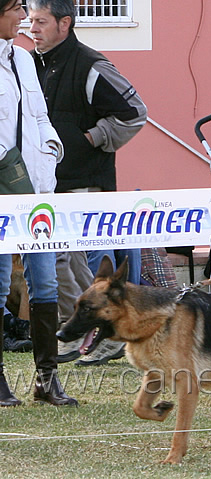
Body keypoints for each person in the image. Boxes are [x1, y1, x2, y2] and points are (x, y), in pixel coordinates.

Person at [27, 0, 147, 365]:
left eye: (41, 22)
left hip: (86, 181)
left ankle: (106, 333)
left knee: (88, 260)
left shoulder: (92, 65)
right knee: (59, 259)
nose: (32, 29)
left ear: (65, 23)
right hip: (47, 183)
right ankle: (86, 328)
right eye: (30, 20)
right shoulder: (27, 64)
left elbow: (135, 114)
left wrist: (89, 140)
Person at [0, 0, 76, 407]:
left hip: (38, 192)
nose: (24, 17)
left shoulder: (25, 59)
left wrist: (52, 149)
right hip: (2, 192)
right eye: (16, 8)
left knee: (45, 283)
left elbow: (39, 116)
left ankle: (47, 381)